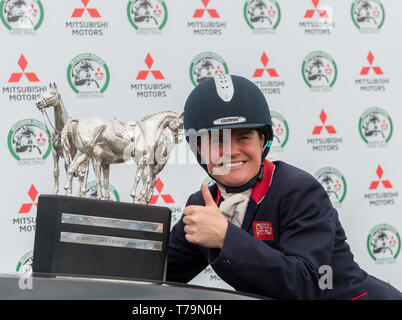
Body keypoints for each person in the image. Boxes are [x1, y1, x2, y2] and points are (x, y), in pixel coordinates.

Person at [166, 74, 402, 300]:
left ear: (262, 141)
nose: (231, 150)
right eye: (218, 140)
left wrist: (226, 238)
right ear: (198, 149)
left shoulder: (300, 192)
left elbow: (307, 285)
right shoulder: (202, 207)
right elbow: (161, 272)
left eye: (244, 137)